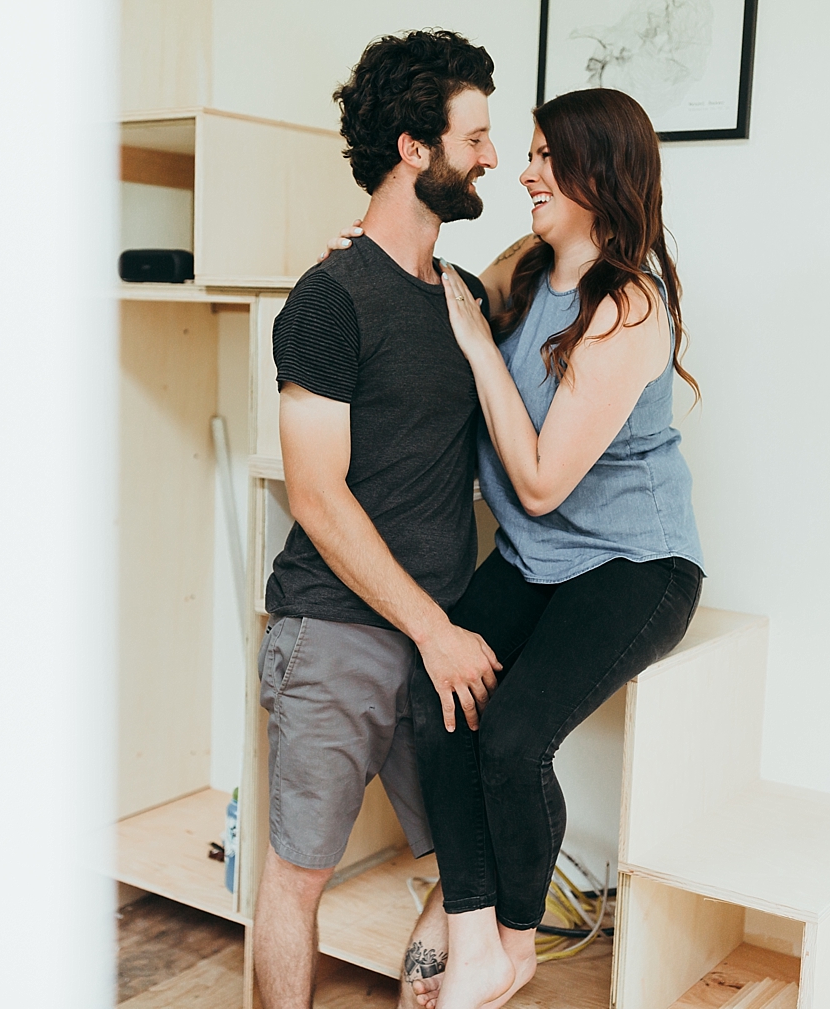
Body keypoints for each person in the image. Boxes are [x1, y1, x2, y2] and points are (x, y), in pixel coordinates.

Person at [418, 87, 705, 1009]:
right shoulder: (527, 265)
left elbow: (540, 480)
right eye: (528, 151)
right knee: (437, 695)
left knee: (509, 740)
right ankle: (465, 925)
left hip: (635, 567)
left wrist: (475, 346)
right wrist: (369, 258)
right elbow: (445, 290)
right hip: (538, 557)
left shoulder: (627, 309)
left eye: (546, 156)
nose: (526, 170)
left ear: (599, 173)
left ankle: (513, 943)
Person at [253, 29, 505, 1009]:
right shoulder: (329, 298)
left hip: (434, 633)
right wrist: (434, 628)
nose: (488, 154)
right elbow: (317, 496)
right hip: (339, 633)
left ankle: (421, 989)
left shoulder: (461, 297)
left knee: (468, 856)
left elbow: (550, 264)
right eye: (475, 135)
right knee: (298, 873)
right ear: (412, 146)